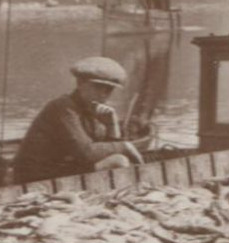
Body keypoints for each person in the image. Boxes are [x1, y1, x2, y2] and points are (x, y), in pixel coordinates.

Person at [13, 56, 144, 184]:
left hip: (62, 170)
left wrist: (112, 125)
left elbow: (103, 150)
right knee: (119, 161)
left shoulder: (93, 110)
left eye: (109, 90)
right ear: (80, 83)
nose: (103, 94)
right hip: (35, 177)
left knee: (120, 159)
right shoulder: (63, 107)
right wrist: (124, 146)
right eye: (98, 87)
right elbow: (86, 153)